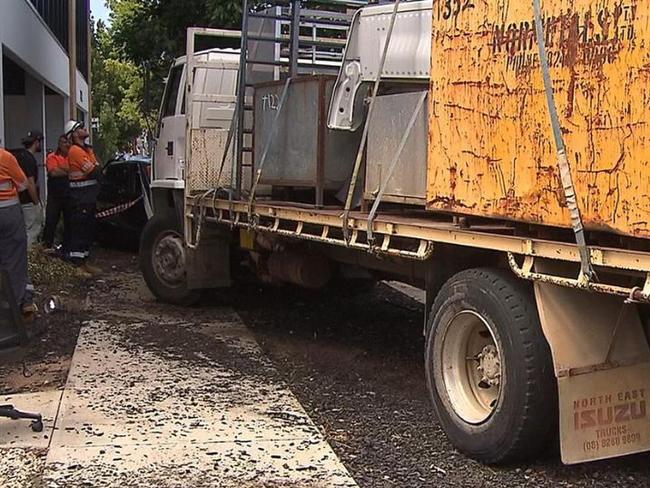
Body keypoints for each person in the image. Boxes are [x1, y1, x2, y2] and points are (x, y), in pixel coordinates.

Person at [0, 147, 38, 319]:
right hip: (8, 212)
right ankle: (14, 308)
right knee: (14, 259)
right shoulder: (6, 157)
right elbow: (23, 184)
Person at [64, 121, 102, 276]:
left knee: (87, 230)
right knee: (79, 231)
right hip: (80, 198)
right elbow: (96, 172)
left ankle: (84, 262)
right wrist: (95, 165)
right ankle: (77, 265)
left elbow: (98, 169)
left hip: (88, 197)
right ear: (73, 134)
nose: (84, 129)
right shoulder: (75, 151)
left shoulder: (86, 150)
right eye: (79, 128)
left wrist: (92, 155)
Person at [11, 130, 44, 247]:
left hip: (19, 200)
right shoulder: (29, 159)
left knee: (25, 228)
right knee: (32, 229)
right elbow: (30, 183)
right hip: (29, 202)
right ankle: (29, 258)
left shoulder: (20, 157)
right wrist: (36, 203)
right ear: (36, 142)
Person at [42, 135, 71, 251]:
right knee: (51, 221)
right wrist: (69, 171)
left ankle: (67, 248)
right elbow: (53, 172)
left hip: (69, 195)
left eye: (68, 142)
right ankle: (46, 246)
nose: (67, 145)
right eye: (64, 142)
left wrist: (63, 169)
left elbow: (76, 169)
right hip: (55, 196)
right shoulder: (52, 157)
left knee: (69, 222)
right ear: (59, 144)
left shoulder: (72, 157)